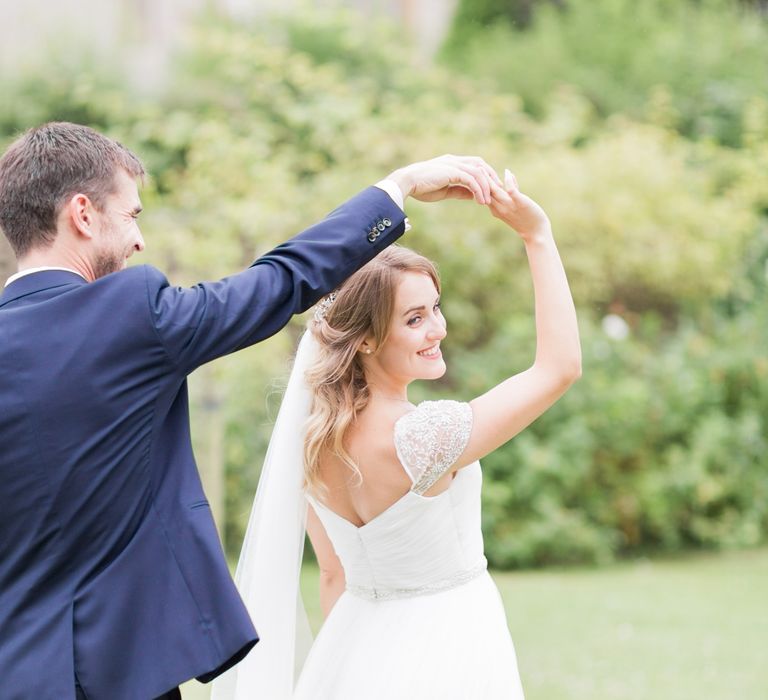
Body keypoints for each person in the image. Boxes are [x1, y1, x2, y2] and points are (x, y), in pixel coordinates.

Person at [0, 120, 500, 700]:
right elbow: (280, 282)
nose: (139, 241)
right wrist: (399, 185)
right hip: (127, 672)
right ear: (83, 214)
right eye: (131, 215)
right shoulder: (132, 313)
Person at [217, 170, 581, 699]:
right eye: (415, 318)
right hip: (450, 643)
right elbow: (558, 368)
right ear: (365, 339)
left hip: (353, 648)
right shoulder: (425, 436)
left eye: (435, 308)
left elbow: (333, 577)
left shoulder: (313, 440)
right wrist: (537, 235)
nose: (438, 329)